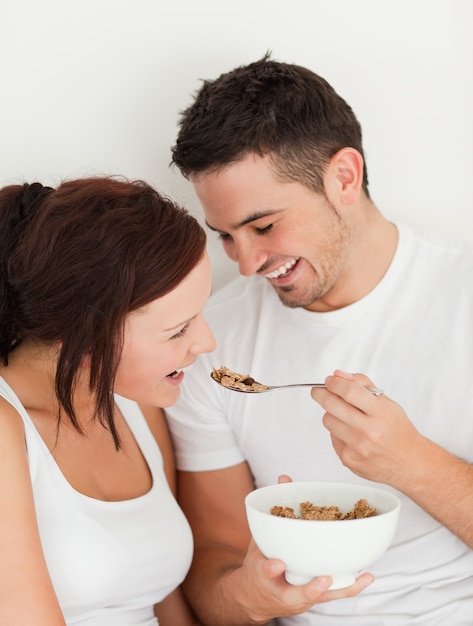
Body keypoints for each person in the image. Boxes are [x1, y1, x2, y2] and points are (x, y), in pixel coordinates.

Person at [166, 54, 473, 625]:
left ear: (344, 178)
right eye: (226, 236)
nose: (249, 262)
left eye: (263, 226)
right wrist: (250, 596)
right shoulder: (210, 340)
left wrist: (412, 464)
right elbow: (213, 564)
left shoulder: (462, 298)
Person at [0, 176, 217, 625]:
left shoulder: (139, 408)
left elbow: (164, 600)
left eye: (200, 316)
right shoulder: (6, 429)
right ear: (82, 342)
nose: (207, 342)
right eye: (178, 330)